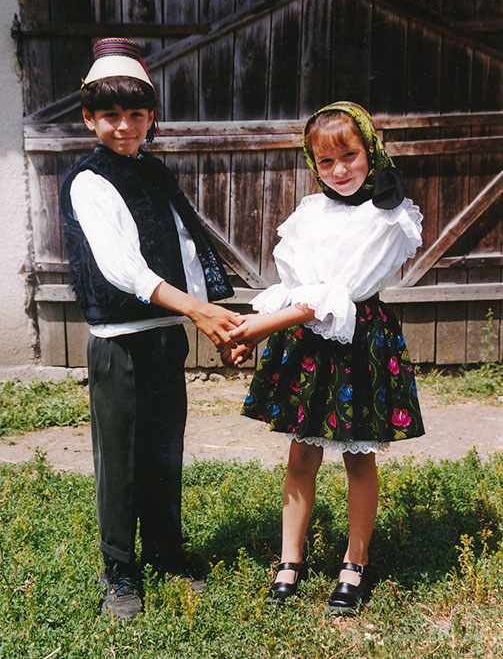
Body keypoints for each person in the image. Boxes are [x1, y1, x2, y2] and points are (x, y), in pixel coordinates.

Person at [60, 38, 243, 620]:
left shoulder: (155, 173)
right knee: (121, 458)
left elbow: (185, 248)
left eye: (136, 114)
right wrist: (198, 310)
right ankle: (119, 571)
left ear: (152, 117)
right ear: (88, 118)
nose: (124, 126)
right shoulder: (88, 180)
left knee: (165, 451)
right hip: (121, 343)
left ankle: (167, 555)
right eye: (110, 115)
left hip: (164, 333)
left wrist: (212, 314)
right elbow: (122, 266)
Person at [225, 101, 424, 614]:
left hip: (358, 339)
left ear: (370, 152)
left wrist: (258, 325)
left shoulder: (389, 215)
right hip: (306, 342)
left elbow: (338, 294)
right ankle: (290, 558)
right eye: (326, 162)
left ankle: (354, 563)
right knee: (301, 454)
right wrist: (260, 326)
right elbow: (295, 286)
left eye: (350, 156)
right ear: (314, 165)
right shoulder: (311, 212)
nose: (339, 171)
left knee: (359, 456)